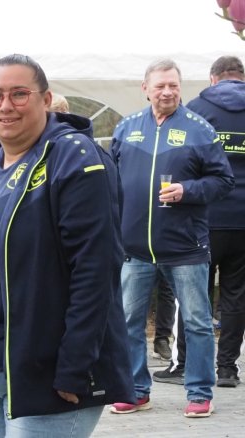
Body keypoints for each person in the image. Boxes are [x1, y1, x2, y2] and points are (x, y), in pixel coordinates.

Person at [0, 54, 133, 437]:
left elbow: (96, 271)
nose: (5, 105)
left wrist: (75, 365)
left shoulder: (75, 160)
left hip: (43, 374)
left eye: (19, 94)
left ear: (46, 99)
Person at [108, 59, 233, 418]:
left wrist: (188, 190)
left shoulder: (200, 129)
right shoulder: (126, 127)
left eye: (174, 86)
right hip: (133, 248)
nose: (167, 92)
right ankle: (135, 390)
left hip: (185, 246)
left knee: (196, 322)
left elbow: (223, 181)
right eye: (160, 85)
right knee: (128, 321)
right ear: (145, 88)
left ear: (181, 88)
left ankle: (198, 391)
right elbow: (109, 182)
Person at [153, 55, 245, 389]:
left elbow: (175, 162)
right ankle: (227, 369)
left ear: (212, 78)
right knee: (236, 295)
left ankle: (185, 364)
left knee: (193, 294)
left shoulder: (194, 109)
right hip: (242, 220)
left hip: (202, 217)